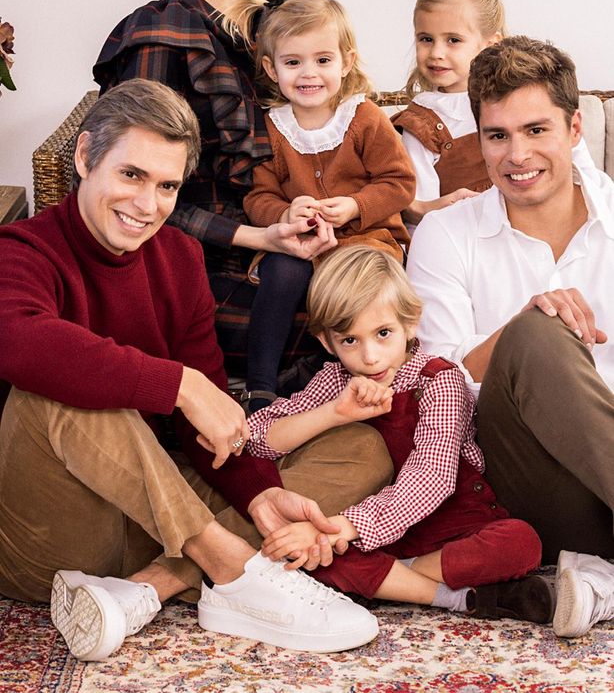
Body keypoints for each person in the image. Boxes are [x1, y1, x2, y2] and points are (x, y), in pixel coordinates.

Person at [0, 79, 393, 661]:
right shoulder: (21, 249)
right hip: (54, 534)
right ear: (84, 157)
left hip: (151, 518)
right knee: (59, 392)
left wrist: (258, 496)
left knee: (360, 448)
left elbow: (202, 426)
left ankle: (151, 587)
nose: (146, 205)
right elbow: (18, 342)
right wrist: (179, 384)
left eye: (165, 186)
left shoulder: (179, 259)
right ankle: (231, 568)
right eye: (130, 175)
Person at [93, 0, 325, 378]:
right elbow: (126, 196)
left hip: (292, 236)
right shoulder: (160, 36)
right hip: (202, 268)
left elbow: (337, 132)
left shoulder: (286, 17)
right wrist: (259, 237)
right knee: (351, 325)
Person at [406, 35, 614, 639]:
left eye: (536, 130)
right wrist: (522, 329)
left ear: (575, 128)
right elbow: (432, 385)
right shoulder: (446, 233)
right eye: (498, 136)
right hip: (525, 486)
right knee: (534, 336)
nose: (517, 154)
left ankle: (597, 579)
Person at [246, 246, 553, 623]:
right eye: (349, 341)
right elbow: (255, 437)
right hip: (376, 535)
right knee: (300, 554)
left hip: (456, 525)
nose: (370, 357)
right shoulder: (334, 382)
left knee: (522, 543)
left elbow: (431, 478)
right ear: (327, 342)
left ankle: (394, 578)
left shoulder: (439, 381)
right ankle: (451, 596)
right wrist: (332, 413)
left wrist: (342, 528)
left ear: (410, 324)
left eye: (383, 333)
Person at [235, 0, 415, 413]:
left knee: (358, 286)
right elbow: (257, 194)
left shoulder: (364, 118)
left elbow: (399, 181)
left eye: (322, 60)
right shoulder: (272, 129)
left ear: (346, 62)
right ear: (271, 68)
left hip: (365, 239)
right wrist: (285, 213)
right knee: (282, 269)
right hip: (302, 243)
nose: (308, 73)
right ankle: (260, 385)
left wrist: (354, 205)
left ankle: (353, 370)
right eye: (293, 62)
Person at [392, 0, 505, 225]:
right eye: (426, 39)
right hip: (460, 241)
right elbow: (419, 217)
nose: (436, 53)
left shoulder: (515, 101)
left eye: (453, 40)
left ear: (489, 45)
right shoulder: (422, 121)